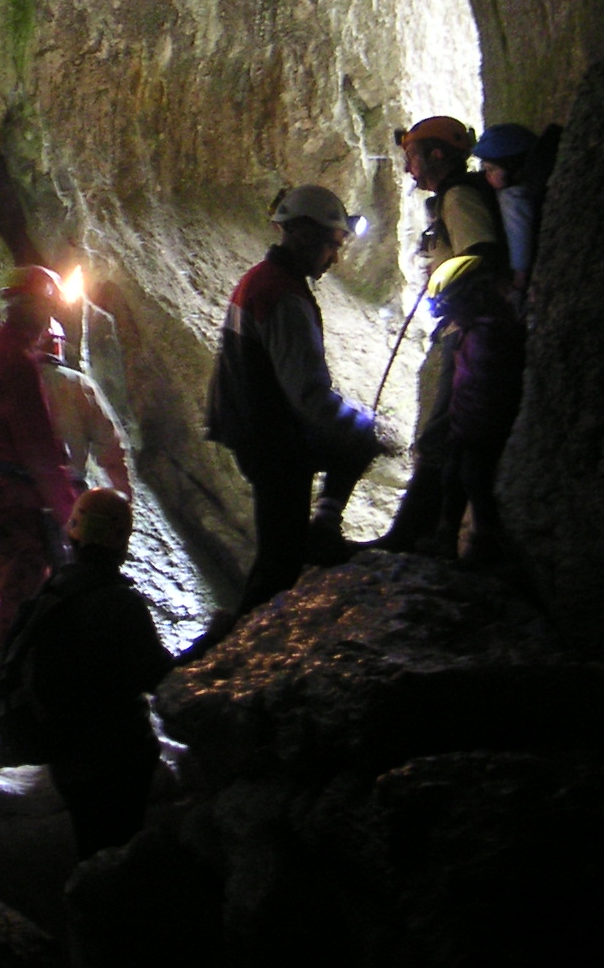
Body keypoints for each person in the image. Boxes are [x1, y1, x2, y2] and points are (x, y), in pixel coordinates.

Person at [205, 185, 397, 619]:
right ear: (306, 235)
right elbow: (308, 395)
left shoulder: (260, 278)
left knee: (281, 555)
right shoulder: (285, 297)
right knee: (279, 564)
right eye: (333, 244)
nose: (335, 257)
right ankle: (227, 652)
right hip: (270, 438)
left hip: (250, 423)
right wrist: (365, 431)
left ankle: (323, 529)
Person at [0, 488, 173, 859]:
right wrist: (212, 641)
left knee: (91, 849)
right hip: (120, 759)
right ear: (122, 544)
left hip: (69, 761)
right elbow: (160, 678)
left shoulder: (50, 595)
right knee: (120, 852)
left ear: (72, 534)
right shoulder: (120, 602)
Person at [0, 266, 80, 634]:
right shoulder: (17, 362)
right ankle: (9, 685)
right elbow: (38, 448)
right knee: (26, 604)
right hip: (14, 497)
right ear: (41, 309)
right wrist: (70, 515)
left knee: (14, 595)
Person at [380, 254, 526, 565]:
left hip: (480, 433)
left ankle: (484, 543)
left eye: (454, 309)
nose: (452, 319)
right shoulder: (475, 331)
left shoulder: (492, 334)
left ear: (477, 296)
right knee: (453, 479)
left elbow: (487, 389)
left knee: (474, 481)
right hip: (465, 429)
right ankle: (446, 539)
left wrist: (471, 429)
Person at [397, 115, 505, 278]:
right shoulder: (449, 199)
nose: (407, 168)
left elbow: (480, 262)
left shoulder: (457, 198)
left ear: (436, 155)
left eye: (412, 156)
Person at [35, 318, 133, 497]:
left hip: (16, 494)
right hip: (66, 492)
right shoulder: (78, 383)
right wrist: (123, 503)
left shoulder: (7, 382)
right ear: (58, 346)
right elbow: (112, 449)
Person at [472, 122, 552, 301]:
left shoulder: (512, 195)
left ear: (513, 166)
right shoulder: (538, 178)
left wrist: (519, 279)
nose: (487, 176)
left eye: (491, 169)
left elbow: (519, 234)